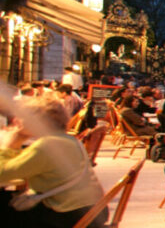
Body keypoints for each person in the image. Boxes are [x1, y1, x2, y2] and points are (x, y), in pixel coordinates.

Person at [0, 97, 107, 227]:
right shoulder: (68, 140)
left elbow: (3, 174)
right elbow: (24, 170)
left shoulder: (46, 145)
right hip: (93, 211)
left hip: (68, 216)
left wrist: (8, 147)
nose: (15, 121)